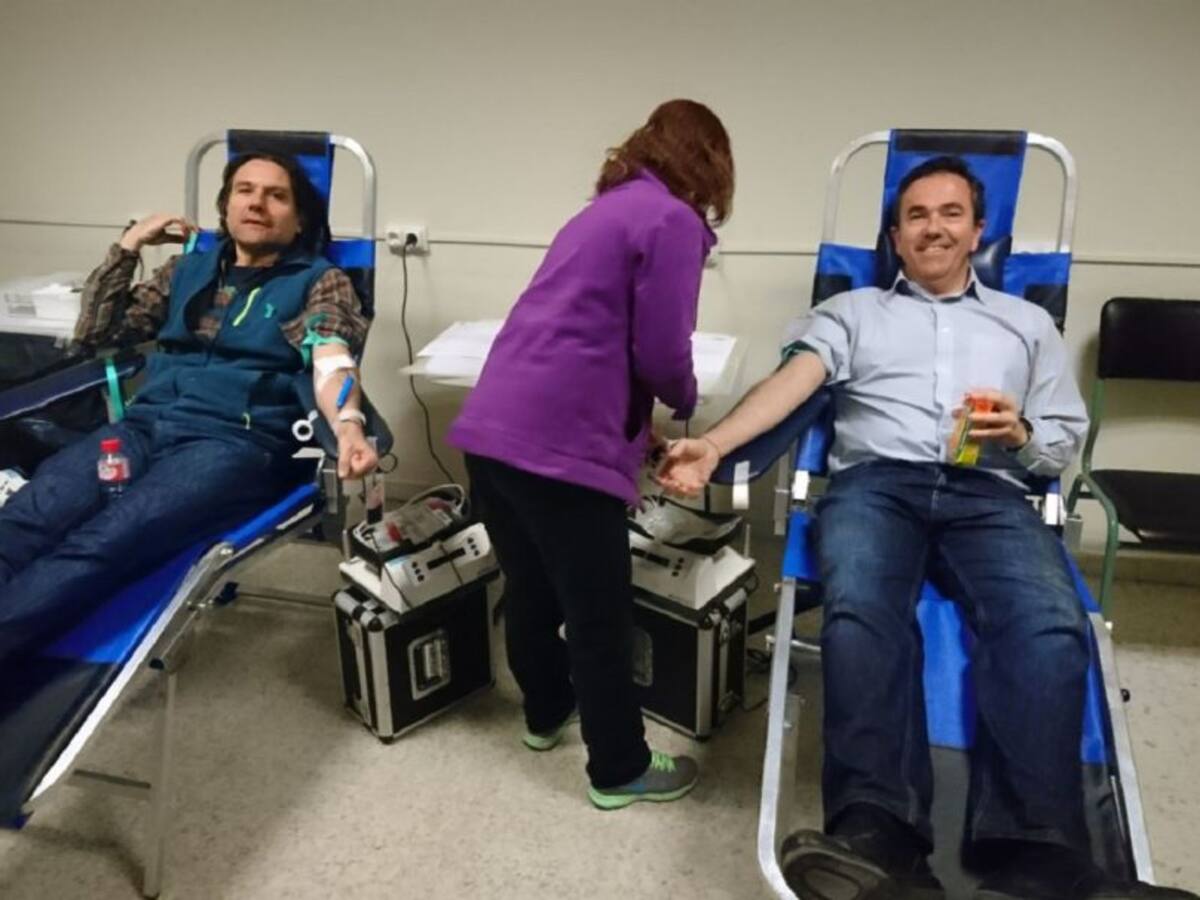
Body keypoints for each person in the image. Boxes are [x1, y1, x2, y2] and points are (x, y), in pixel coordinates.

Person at [658, 157, 1197, 899]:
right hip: (875, 486)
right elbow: (790, 384)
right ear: (895, 236)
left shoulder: (1027, 324)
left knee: (1048, 622)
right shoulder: (851, 312)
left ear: (979, 232)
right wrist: (715, 446)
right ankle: (879, 836)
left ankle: (1039, 853)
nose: (933, 227)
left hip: (993, 492)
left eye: (950, 213)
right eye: (916, 215)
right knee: (861, 611)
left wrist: (1021, 434)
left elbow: (1060, 443)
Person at [447, 99, 733, 809]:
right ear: (711, 165)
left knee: (530, 588)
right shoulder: (672, 220)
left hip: (492, 433)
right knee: (600, 613)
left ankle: (545, 713)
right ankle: (620, 767)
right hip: (559, 450)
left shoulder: (600, 213)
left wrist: (637, 431)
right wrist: (685, 401)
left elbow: (582, 340)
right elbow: (661, 352)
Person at [0, 152, 378, 662]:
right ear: (225, 206)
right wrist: (129, 245)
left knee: (109, 538)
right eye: (244, 190)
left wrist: (349, 427)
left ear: (299, 220)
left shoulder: (319, 280)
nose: (257, 203)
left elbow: (330, 355)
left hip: (233, 441)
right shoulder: (187, 269)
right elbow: (97, 333)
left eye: (276, 195)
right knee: (33, 511)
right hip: (143, 427)